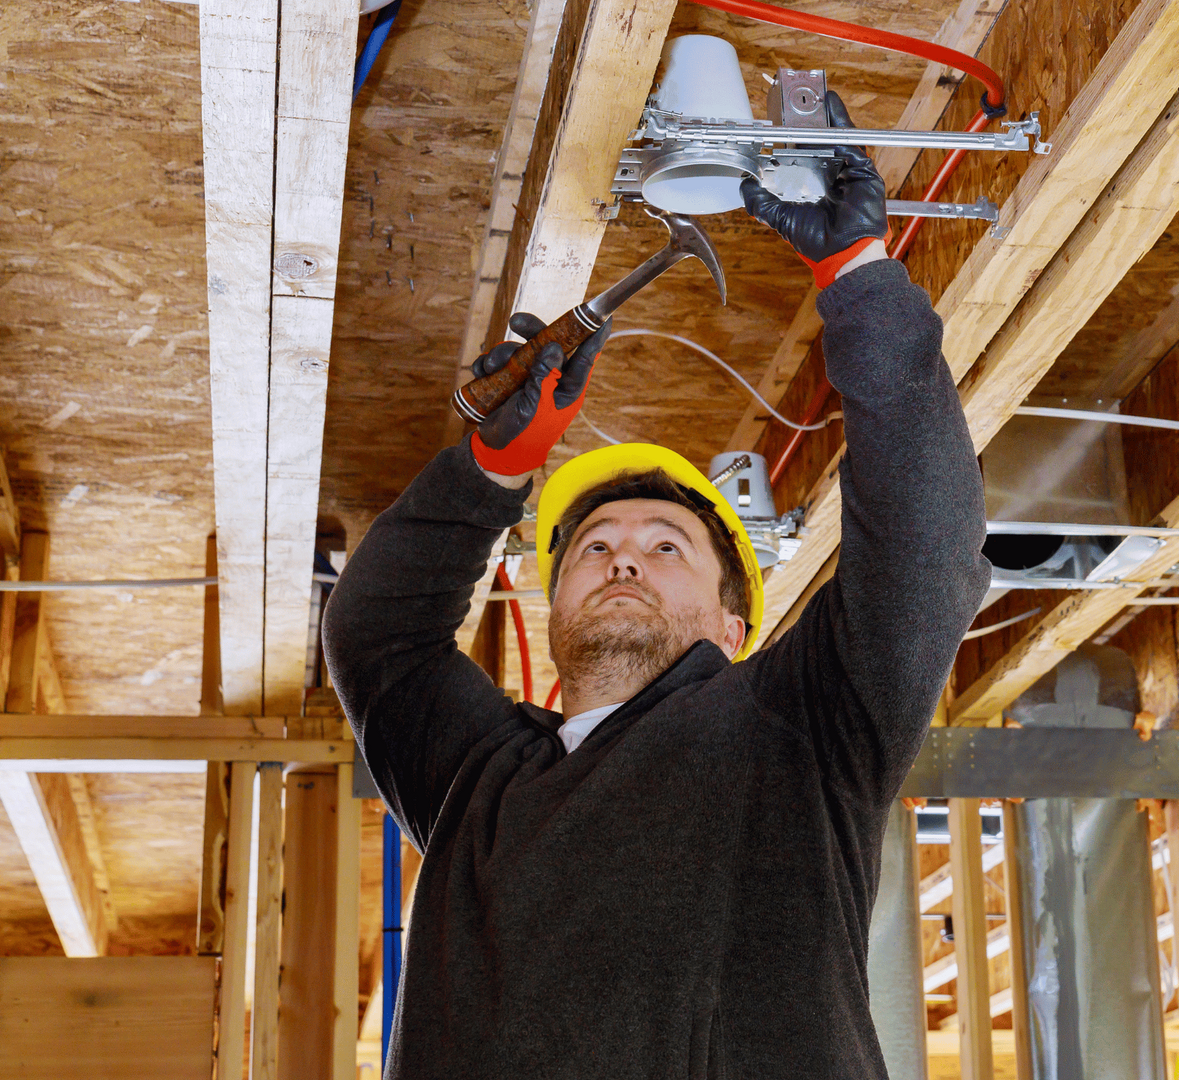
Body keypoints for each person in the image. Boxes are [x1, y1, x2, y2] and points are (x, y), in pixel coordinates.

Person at [323, 92, 989, 1079]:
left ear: (732, 625)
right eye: (593, 547)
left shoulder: (803, 729)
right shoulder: (478, 779)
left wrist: (860, 277)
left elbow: (924, 543)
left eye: (667, 546)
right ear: (553, 614)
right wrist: (495, 466)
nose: (622, 557)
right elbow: (376, 636)